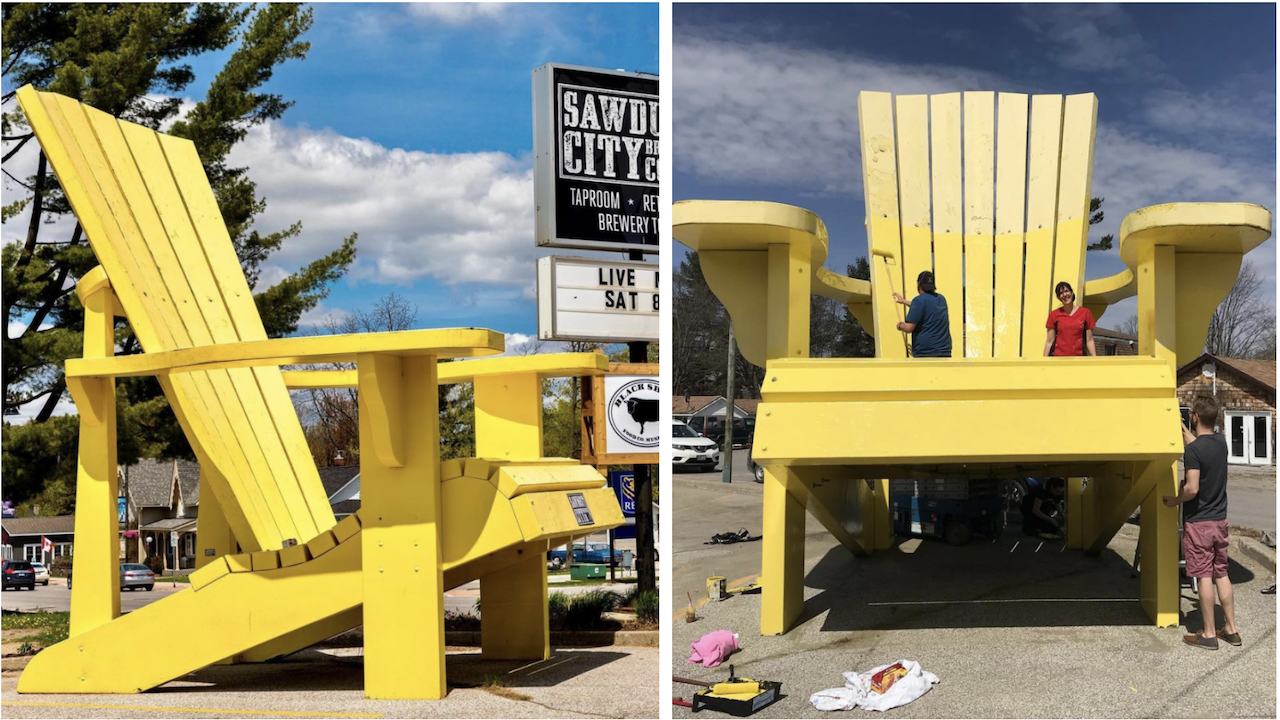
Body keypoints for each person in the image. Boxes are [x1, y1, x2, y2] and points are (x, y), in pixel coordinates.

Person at [1163, 394, 1238, 650]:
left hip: (1199, 523)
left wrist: (1174, 500)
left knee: (1204, 576)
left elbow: (1192, 488)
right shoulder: (1221, 443)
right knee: (1221, 573)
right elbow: (1202, 447)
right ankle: (1231, 629)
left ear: (1195, 416)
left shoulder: (1193, 451)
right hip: (1220, 520)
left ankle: (1208, 633)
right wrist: (1183, 430)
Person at [893, 270, 952, 358]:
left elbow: (908, 328)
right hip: (945, 351)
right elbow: (926, 307)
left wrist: (900, 325)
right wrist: (904, 301)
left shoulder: (918, 301)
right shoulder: (941, 299)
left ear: (919, 285)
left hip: (926, 353)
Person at [1043, 281, 1097, 357]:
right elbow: (1049, 341)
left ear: (1072, 293)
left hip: (1079, 359)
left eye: (1066, 291)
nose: (1064, 295)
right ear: (1059, 297)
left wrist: (1094, 359)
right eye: (1061, 293)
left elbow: (1089, 340)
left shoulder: (1086, 313)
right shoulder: (1053, 315)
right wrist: (1044, 362)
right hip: (1057, 359)